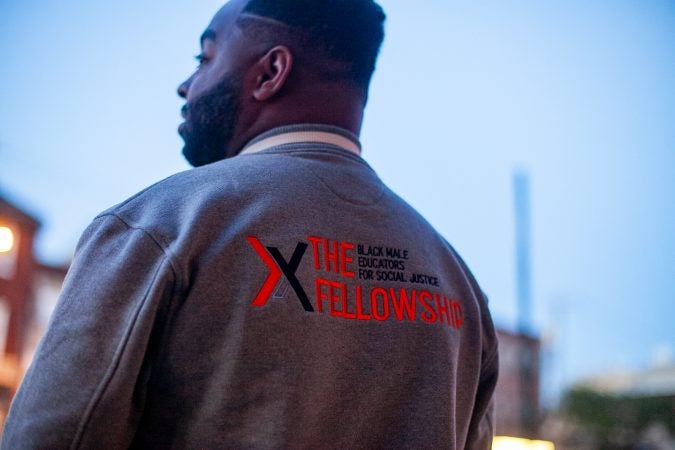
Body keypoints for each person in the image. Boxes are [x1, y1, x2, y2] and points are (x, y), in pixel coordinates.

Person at [2, 0, 498, 448]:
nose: (186, 84)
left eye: (205, 59)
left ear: (271, 72)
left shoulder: (160, 223)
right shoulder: (458, 282)